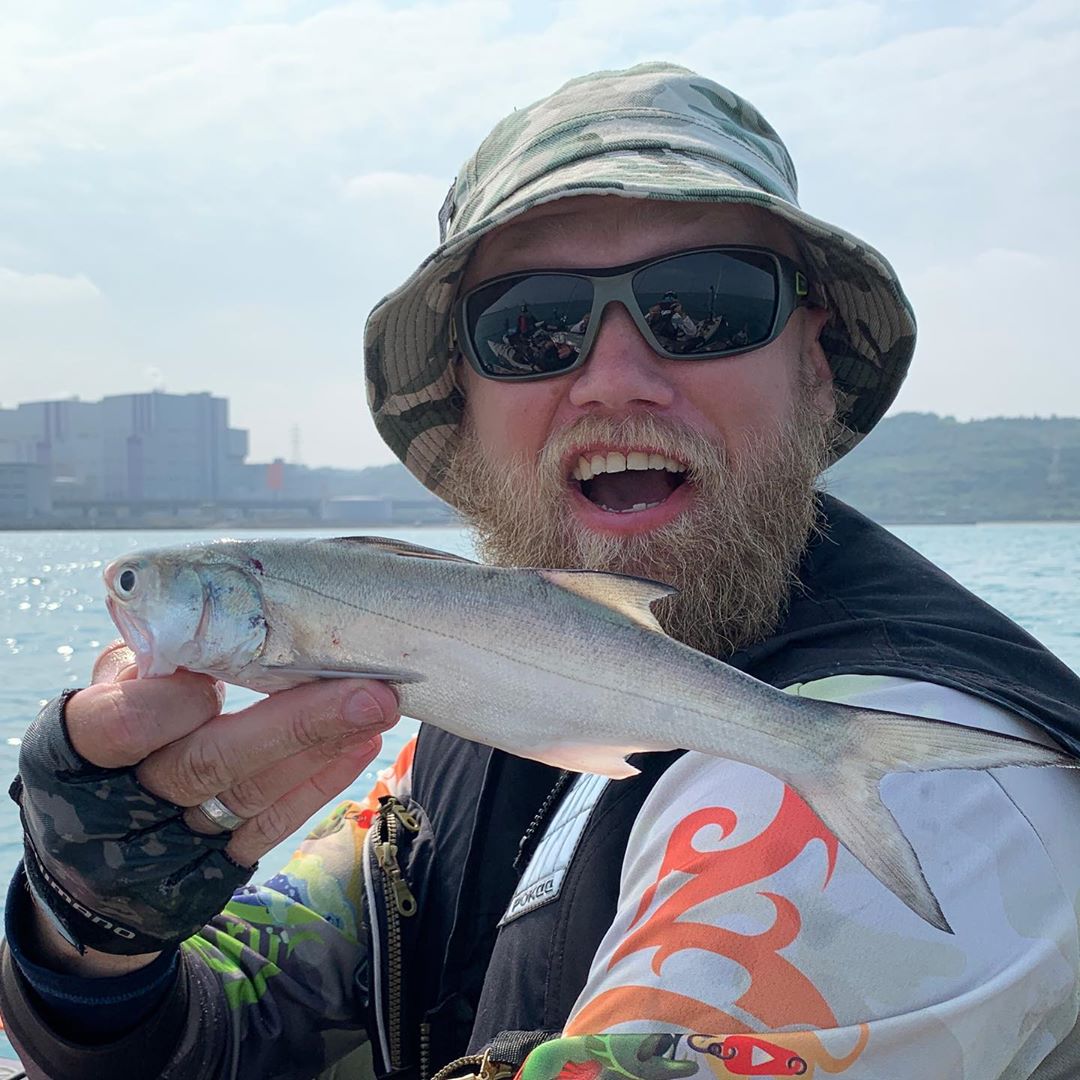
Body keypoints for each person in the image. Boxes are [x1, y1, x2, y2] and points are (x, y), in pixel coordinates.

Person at [3, 62, 1080, 1080]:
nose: (617, 377)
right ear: (465, 402)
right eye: (532, 327)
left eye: (705, 304)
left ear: (813, 357)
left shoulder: (948, 791)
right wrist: (91, 925)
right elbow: (232, 1030)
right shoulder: (484, 710)